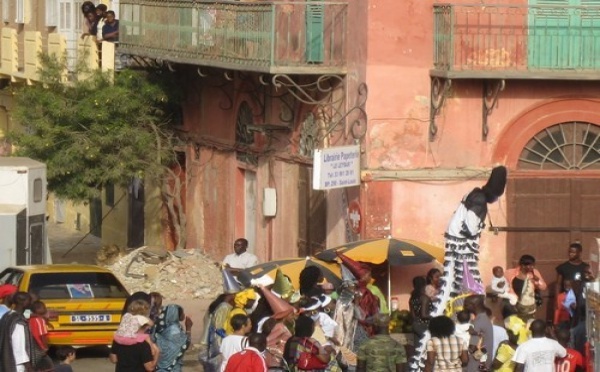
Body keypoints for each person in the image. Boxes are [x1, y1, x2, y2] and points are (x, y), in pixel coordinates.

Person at [412, 166, 507, 372]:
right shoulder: (478, 328)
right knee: (468, 287)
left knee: (457, 289)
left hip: (458, 252)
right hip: (463, 252)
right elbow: (470, 228)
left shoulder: (472, 194)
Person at [505, 254, 547, 320]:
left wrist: (537, 281)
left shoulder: (534, 272)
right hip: (513, 304)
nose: (532, 267)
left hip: (528, 305)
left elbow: (543, 287)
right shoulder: (510, 273)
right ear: (522, 265)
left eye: (533, 265)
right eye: (530, 265)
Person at [0, 291, 34, 372]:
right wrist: (28, 366)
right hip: (16, 365)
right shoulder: (18, 321)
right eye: (29, 300)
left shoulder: (7, 315)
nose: (31, 303)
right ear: (22, 302)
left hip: (5, 360)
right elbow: (19, 346)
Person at [154, 304, 193, 372]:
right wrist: (188, 328)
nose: (183, 315)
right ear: (175, 315)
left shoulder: (161, 327)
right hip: (172, 368)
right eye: (182, 313)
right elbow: (185, 344)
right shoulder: (174, 330)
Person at [463, 295, 493, 372]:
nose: (464, 307)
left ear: (474, 305)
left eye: (466, 305)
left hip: (474, 366)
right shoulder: (484, 319)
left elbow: (473, 348)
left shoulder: (478, 323)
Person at [28, 300, 54, 371]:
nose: (45, 309)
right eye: (44, 307)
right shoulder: (40, 320)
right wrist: (45, 347)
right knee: (49, 366)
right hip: (40, 347)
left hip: (32, 347)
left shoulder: (30, 319)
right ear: (37, 309)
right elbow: (42, 335)